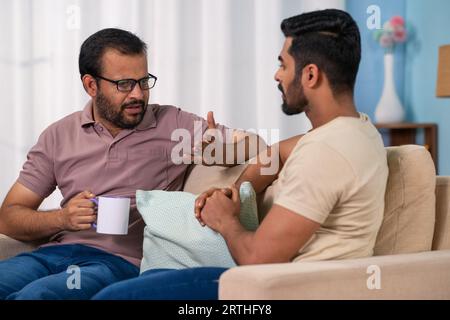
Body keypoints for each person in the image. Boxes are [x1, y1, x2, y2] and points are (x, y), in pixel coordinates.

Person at [92, 9, 389, 300]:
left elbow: (257, 258)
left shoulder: (327, 153)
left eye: (283, 65)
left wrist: (224, 219)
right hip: (277, 281)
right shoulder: (356, 131)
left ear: (310, 75)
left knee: (114, 297)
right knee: (151, 281)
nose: (277, 75)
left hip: (284, 289)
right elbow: (277, 153)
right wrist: (234, 190)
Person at [0, 28, 258, 300]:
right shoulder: (58, 134)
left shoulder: (172, 124)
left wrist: (219, 150)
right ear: (91, 85)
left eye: (143, 81)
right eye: (124, 84)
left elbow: (255, 145)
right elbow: (8, 217)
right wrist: (62, 218)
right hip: (52, 254)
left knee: (38, 296)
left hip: (115, 263)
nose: (138, 94)